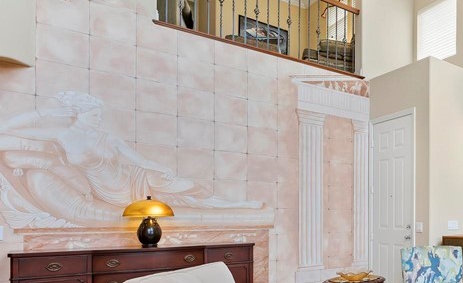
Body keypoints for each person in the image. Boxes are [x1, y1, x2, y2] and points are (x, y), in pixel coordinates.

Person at [0, 91, 274, 226]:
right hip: (110, 193)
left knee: (187, 190)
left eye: (99, 115)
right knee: (178, 200)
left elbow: (137, 160)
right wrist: (47, 113)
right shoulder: (61, 133)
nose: (99, 119)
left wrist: (161, 168)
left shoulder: (107, 137)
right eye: (95, 114)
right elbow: (7, 128)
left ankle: (238, 204)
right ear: (79, 114)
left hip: (135, 178)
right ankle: (234, 206)